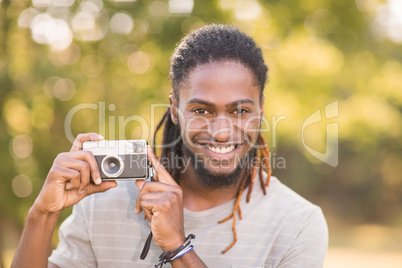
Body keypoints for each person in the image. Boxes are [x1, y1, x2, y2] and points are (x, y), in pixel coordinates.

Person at [12, 24, 328, 268]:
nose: (220, 132)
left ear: (261, 109)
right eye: (202, 110)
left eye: (240, 110)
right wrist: (43, 214)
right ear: (175, 109)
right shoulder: (102, 205)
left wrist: (178, 246)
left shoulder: (297, 224)